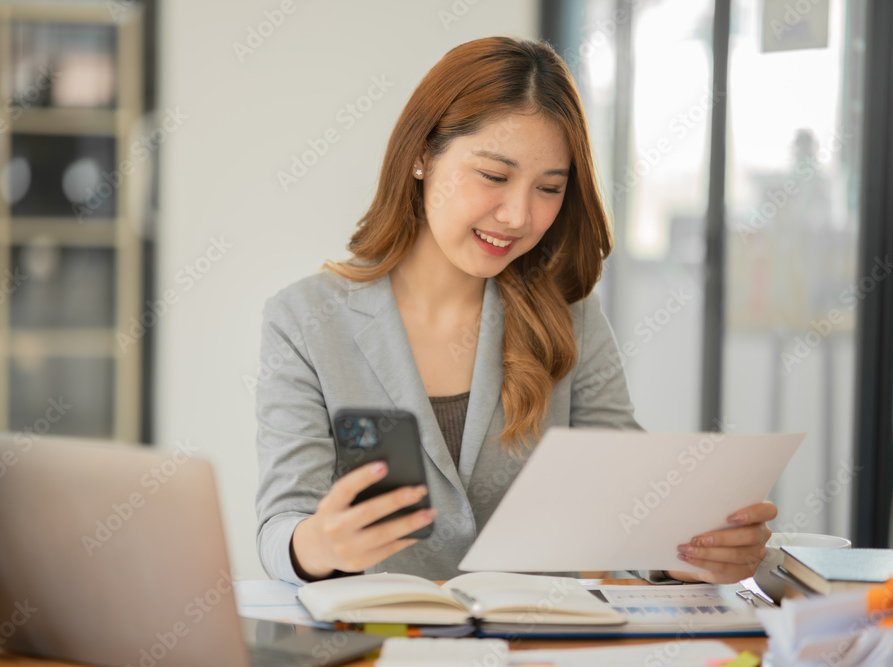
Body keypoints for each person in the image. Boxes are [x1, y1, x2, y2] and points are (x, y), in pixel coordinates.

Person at [254, 36, 774, 586]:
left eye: (549, 188)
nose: (518, 215)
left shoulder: (572, 319)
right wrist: (317, 542)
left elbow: (630, 508)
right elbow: (280, 527)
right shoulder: (305, 319)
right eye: (495, 177)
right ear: (420, 155)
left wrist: (690, 551)